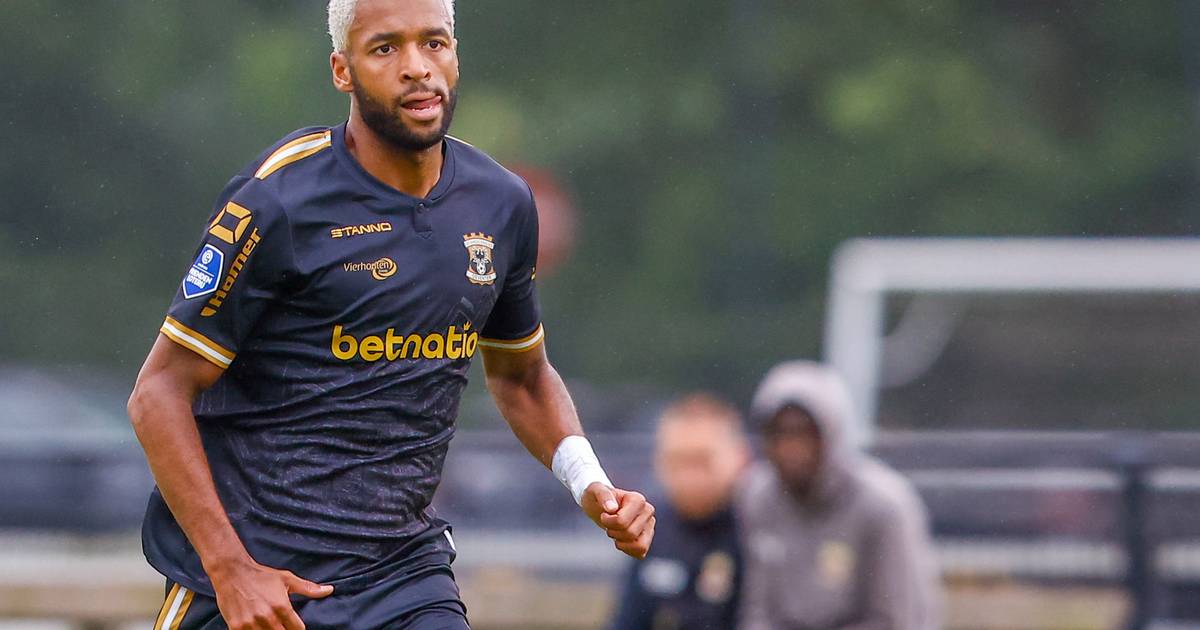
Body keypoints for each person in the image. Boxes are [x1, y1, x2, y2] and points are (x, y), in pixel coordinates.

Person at [125, 1, 655, 628]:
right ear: (341, 71)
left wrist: (590, 482)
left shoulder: (501, 202)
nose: (416, 68)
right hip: (259, 583)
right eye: (385, 48)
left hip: (402, 574)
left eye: (435, 43)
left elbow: (522, 375)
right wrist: (230, 568)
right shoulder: (279, 201)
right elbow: (158, 393)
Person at [737, 361, 940, 630]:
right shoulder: (758, 497)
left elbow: (898, 618)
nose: (791, 448)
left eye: (804, 433)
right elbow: (756, 609)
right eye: (779, 433)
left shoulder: (883, 505)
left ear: (831, 433)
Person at [610, 394, 750, 630]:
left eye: (701, 461)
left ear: (739, 458)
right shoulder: (651, 527)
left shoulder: (757, 529)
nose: (689, 477)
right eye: (677, 461)